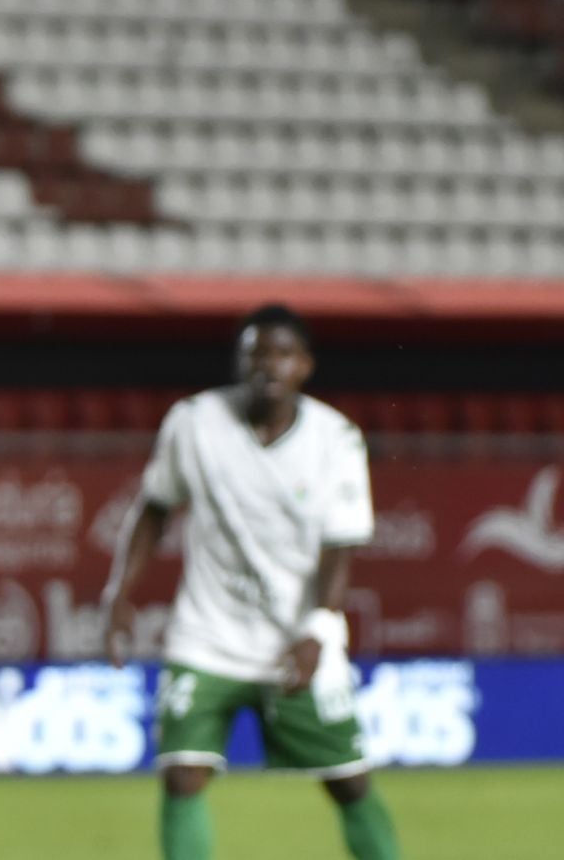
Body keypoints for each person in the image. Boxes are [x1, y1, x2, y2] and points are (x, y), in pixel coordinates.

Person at [103, 304, 402, 860]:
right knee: (182, 775)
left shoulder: (336, 439)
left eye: (283, 353)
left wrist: (318, 629)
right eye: (255, 353)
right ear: (239, 361)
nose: (268, 365)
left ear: (305, 365)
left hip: (297, 637)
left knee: (347, 781)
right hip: (206, 634)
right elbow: (154, 509)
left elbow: (341, 548)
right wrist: (119, 591)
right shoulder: (193, 423)